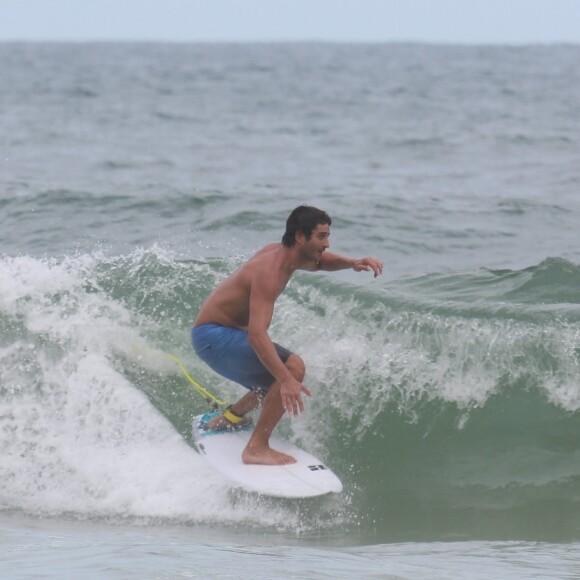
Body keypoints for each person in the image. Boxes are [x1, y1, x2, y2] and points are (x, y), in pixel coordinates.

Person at [191, 205, 383, 466]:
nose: (326, 243)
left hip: (218, 335)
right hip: (214, 337)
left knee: (275, 378)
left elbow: (318, 262)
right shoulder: (268, 271)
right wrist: (287, 379)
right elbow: (257, 336)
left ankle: (228, 419)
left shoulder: (284, 254)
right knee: (292, 368)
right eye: (321, 236)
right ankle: (256, 448)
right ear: (300, 237)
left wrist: (352, 263)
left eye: (327, 236)